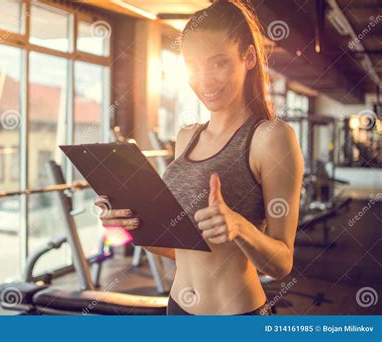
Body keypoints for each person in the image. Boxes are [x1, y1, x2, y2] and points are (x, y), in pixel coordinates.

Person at [94, 0, 304, 315]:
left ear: (247, 58)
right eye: (193, 65)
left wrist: (240, 227)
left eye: (218, 62)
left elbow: (282, 263)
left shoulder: (270, 137)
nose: (204, 80)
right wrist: (129, 224)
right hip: (177, 308)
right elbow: (184, 251)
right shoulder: (186, 137)